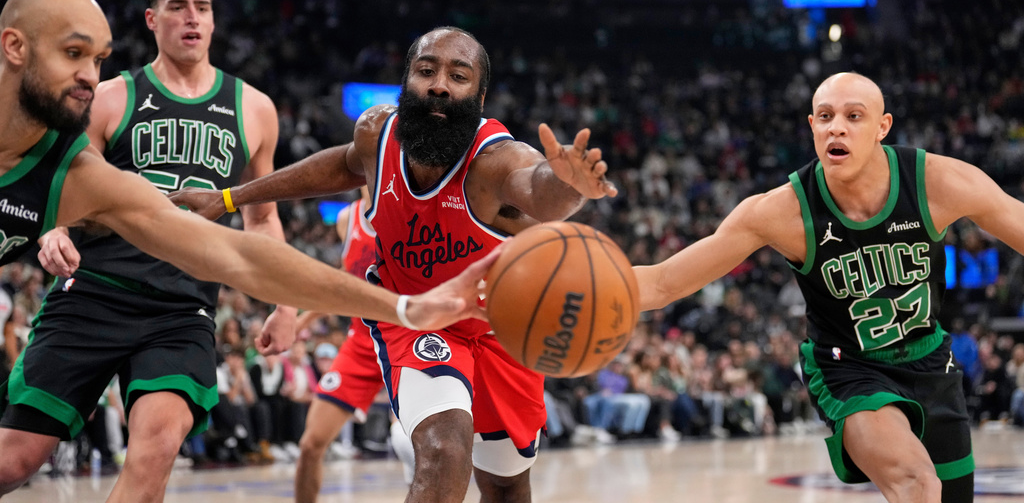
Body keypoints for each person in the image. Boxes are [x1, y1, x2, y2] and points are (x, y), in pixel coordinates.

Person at [0, 0, 494, 499]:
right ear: (14, 47)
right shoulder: (112, 101)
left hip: (178, 308)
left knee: (158, 447)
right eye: (74, 54)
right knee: (14, 461)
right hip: (94, 293)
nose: (87, 78)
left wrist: (405, 308)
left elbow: (240, 253)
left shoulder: (80, 173)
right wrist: (54, 229)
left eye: (98, 59)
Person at [170, 26, 616, 503]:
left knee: (506, 484)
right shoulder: (376, 134)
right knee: (444, 451)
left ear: (479, 96)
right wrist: (230, 197)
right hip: (419, 319)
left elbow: (540, 190)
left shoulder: (496, 160)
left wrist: (571, 187)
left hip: (501, 324)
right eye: (426, 71)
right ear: (406, 83)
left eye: (458, 75)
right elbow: (341, 166)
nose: (439, 84)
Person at [633, 72, 993, 503]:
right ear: (812, 126)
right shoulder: (781, 211)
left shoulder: (935, 181)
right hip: (849, 367)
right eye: (825, 116)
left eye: (853, 116)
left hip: (931, 360)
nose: (836, 126)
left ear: (883, 126)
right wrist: (560, 284)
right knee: (917, 483)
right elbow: (662, 283)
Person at [293, 188, 415, 502]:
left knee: (409, 444)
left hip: (406, 340)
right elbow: (345, 281)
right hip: (361, 342)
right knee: (310, 444)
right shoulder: (347, 219)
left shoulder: (412, 210)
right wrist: (302, 321)